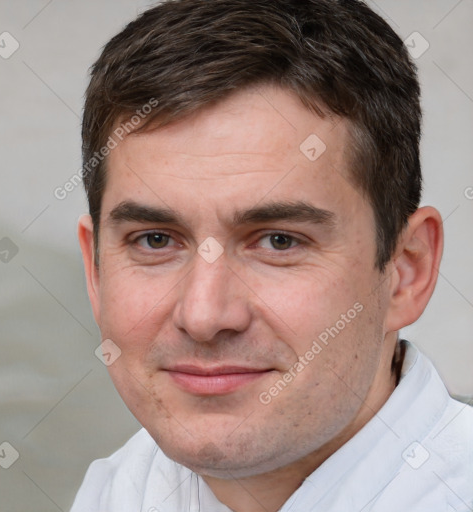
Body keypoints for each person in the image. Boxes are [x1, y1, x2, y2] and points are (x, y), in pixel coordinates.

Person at [71, 0, 473, 510]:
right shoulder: (116, 491)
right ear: (96, 270)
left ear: (405, 271)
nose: (204, 315)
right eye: (156, 240)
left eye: (278, 241)